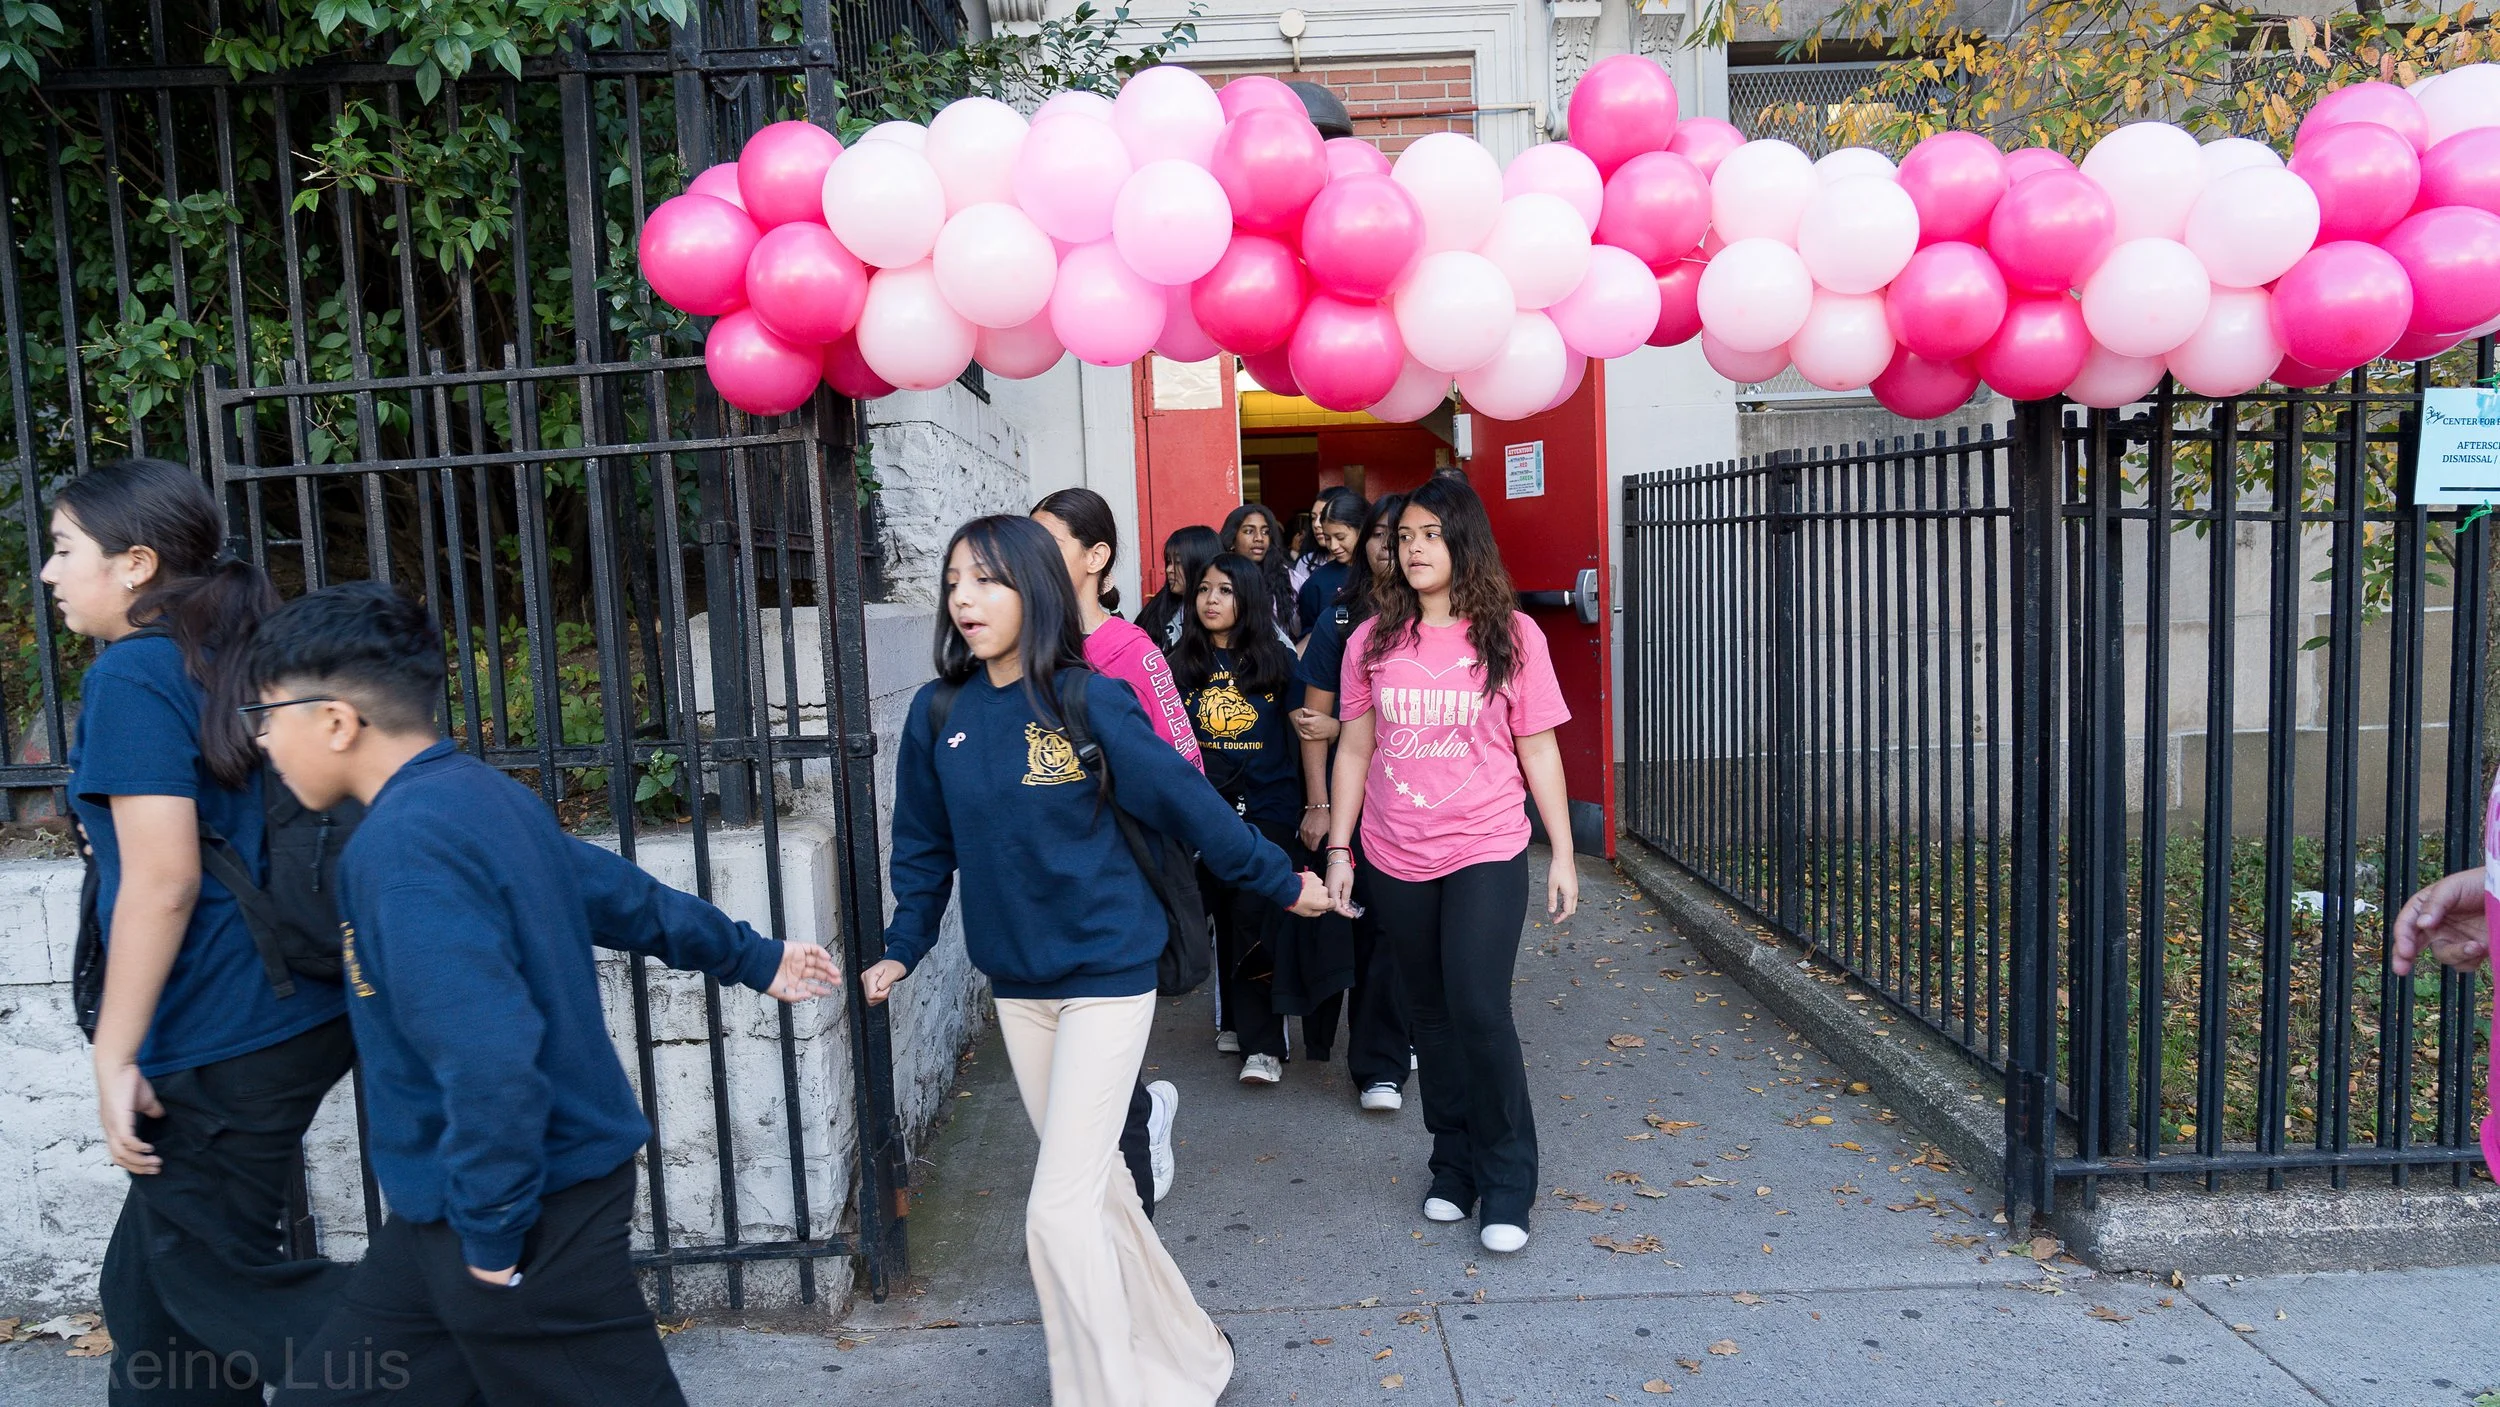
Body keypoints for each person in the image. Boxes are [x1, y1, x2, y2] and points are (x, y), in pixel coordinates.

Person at [250, 581, 841, 1405]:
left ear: (338, 721)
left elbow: (492, 1060)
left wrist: (493, 1235)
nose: (264, 741)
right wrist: (752, 955)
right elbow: (616, 893)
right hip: (448, 1214)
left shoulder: (405, 848)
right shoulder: (482, 797)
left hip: (522, 1216)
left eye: (270, 714)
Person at [862, 516, 1332, 1407]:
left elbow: (1189, 803)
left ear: (1036, 590)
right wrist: (901, 947)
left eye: (989, 580)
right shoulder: (940, 713)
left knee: (1057, 1210)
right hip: (1022, 986)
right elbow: (924, 848)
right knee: (1101, 1189)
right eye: (955, 580)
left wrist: (1284, 881)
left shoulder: (1088, 698)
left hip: (1109, 975)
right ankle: (1192, 1355)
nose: (965, 598)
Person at [39, 457, 355, 1404]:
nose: (49, 574)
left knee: (220, 1289)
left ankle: (485, 1351)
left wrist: (115, 1052)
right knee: (151, 1301)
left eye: (62, 550)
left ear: (135, 563)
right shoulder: (231, 650)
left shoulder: (136, 673)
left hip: (227, 1027)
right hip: (292, 1007)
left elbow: (163, 879)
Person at [1321, 474, 1578, 1256]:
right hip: (1394, 851)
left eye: (1430, 533)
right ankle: (1453, 1163)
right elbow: (1355, 749)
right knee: (1427, 1014)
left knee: (1478, 1005)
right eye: (1404, 537)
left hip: (1486, 845)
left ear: (1463, 538)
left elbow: (1537, 745)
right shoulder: (1372, 639)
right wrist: (1339, 845)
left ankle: (1507, 1177)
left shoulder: (1512, 635)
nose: (1414, 548)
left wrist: (1563, 850)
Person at [1032, 488, 1194, 1214]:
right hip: (1043, 878)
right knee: (1068, 1048)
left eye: (1050, 543)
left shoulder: (1130, 651)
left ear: (1096, 558)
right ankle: (1137, 1122)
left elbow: (1183, 764)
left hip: (1116, 876)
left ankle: (1126, 1209)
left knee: (1095, 1049)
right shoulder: (1015, 646)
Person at [1174, 553, 1353, 1086]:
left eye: (1225, 591)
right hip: (1202, 814)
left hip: (1267, 813)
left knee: (1254, 921)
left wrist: (1312, 807)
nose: (1211, 600)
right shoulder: (1178, 663)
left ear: (1248, 599)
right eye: (1204, 589)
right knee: (1219, 919)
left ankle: (1265, 1045)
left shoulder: (1277, 663)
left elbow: (1303, 739)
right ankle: (1235, 1020)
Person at [1293, 491, 1413, 1111]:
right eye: (1382, 533)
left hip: (1433, 802)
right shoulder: (1340, 619)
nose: (1393, 546)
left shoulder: (1446, 615)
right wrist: (1318, 804)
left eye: (1407, 533)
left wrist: (1347, 728)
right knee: (1370, 930)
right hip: (1357, 801)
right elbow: (1313, 719)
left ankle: (1409, 1031)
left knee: (1411, 935)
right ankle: (1379, 1065)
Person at [1295, 488, 1364, 646]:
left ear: (1362, 529)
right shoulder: (1317, 583)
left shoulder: (1382, 573)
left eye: (1340, 537)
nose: (1333, 546)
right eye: (1327, 538)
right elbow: (1309, 636)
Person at [1220, 502, 1299, 638]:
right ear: (1232, 541)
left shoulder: (1289, 577)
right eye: (1249, 531)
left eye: (1265, 532)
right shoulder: (1218, 576)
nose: (1259, 538)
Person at [1139, 524, 1221, 651]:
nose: (1169, 570)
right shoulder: (1158, 607)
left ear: (1200, 563)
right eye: (1168, 561)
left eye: (1178, 562)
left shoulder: (1218, 613)